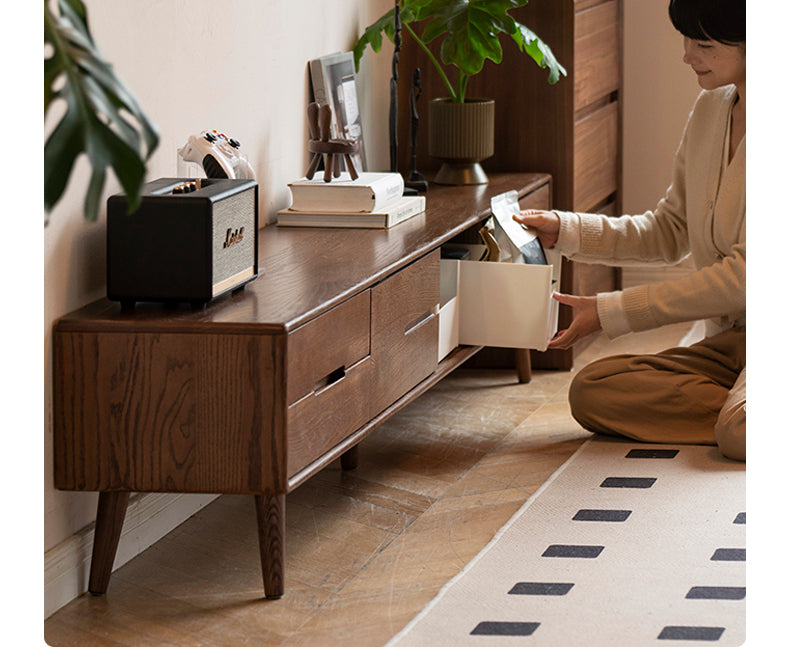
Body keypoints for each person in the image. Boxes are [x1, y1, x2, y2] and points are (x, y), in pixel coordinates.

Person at [514, 0, 746, 461]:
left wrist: (611, 311)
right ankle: (740, 411)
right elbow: (669, 229)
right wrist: (567, 230)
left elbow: (743, 279)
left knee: (740, 432)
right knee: (594, 390)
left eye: (704, 44)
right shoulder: (712, 108)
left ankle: (739, 419)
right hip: (732, 344)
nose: (687, 55)